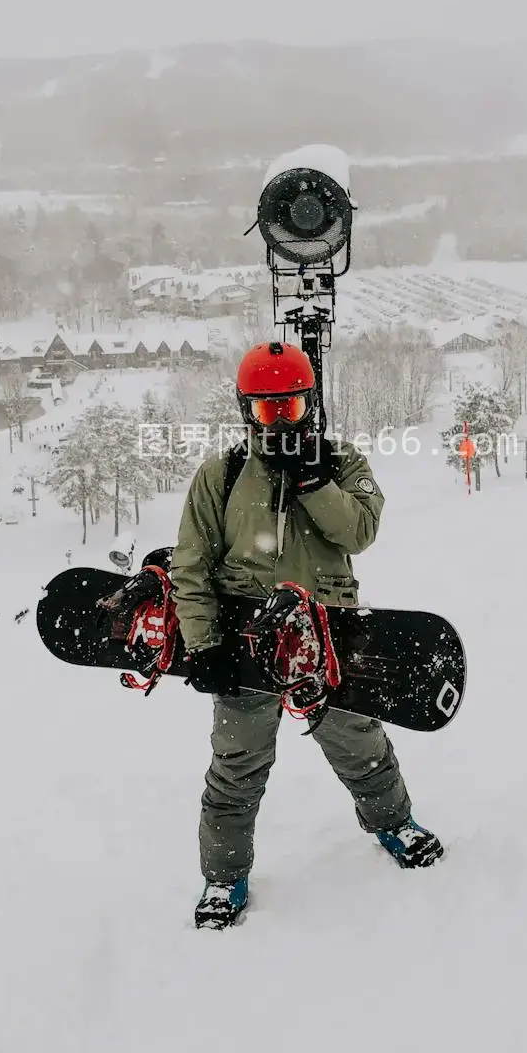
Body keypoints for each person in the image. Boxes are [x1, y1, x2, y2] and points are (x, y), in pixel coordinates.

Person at [171, 341, 442, 930]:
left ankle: (393, 822)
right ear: (247, 411)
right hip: (247, 637)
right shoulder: (221, 474)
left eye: (291, 407)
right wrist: (205, 644)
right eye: (268, 411)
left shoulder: (342, 462)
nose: (280, 422)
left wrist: (314, 483)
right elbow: (190, 565)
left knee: (360, 744)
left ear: (310, 403)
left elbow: (360, 531)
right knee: (238, 764)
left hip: (328, 634)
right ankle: (224, 875)